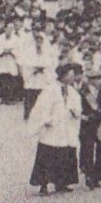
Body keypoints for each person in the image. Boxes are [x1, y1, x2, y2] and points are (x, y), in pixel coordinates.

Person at [26, 61, 83, 195]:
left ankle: (61, 183)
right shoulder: (50, 90)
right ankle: (43, 184)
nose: (72, 78)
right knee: (48, 155)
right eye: (70, 75)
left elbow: (77, 106)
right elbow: (41, 108)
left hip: (66, 127)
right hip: (53, 127)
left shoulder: (72, 91)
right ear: (62, 76)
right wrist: (46, 120)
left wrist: (75, 111)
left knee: (65, 154)